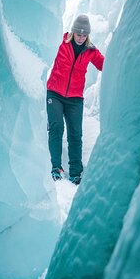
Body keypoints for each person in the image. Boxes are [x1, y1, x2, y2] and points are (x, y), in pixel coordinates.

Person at [46, 14, 104, 185]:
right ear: (73, 32)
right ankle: (56, 168)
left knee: (75, 135)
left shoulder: (91, 51)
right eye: (78, 34)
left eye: (84, 35)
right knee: (56, 128)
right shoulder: (62, 44)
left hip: (75, 99)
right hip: (54, 93)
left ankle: (75, 173)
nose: (81, 38)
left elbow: (105, 65)